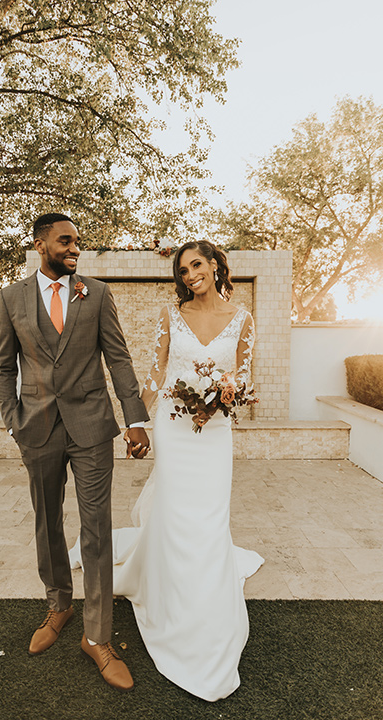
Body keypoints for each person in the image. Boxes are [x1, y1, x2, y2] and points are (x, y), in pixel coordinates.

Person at [72, 239, 264, 701]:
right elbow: (157, 373)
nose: (190, 274)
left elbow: (244, 374)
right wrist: (138, 421)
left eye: (197, 264)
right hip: (175, 429)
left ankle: (207, 609)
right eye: (183, 269)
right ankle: (173, 600)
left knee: (210, 517)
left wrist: (228, 392)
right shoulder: (170, 315)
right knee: (178, 513)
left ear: (216, 265)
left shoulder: (243, 318)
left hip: (215, 432)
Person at [0, 213, 150, 692]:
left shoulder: (96, 294)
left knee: (97, 526)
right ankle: (59, 605)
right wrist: (13, 421)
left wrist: (136, 419)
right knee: (46, 521)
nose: (74, 248)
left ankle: (97, 636)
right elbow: (2, 367)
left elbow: (117, 358)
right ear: (40, 244)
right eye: (65, 241)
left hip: (92, 427)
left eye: (77, 242)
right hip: (36, 428)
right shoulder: (10, 298)